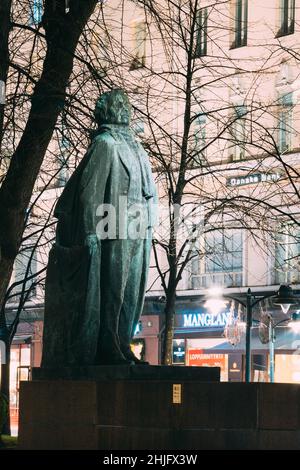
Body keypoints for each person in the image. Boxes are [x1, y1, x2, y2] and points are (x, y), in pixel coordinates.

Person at [41, 89, 157, 367]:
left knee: (132, 292)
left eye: (126, 104)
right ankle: (108, 346)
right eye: (118, 104)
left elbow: (149, 192)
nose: (124, 108)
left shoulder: (138, 147)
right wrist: (90, 231)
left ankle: (122, 344)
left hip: (138, 228)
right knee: (113, 292)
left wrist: (150, 226)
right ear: (105, 111)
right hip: (113, 225)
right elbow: (88, 192)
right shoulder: (105, 144)